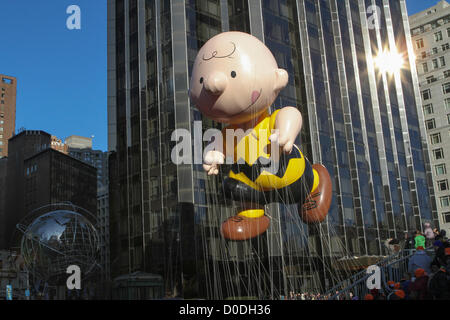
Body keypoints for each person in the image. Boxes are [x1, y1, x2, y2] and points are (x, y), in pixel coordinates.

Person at [191, 31, 333, 241]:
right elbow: (217, 145)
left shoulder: (271, 120)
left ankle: (314, 185)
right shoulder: (227, 133)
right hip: (253, 185)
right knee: (231, 184)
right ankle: (252, 213)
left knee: (295, 181)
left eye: (233, 74)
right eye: (202, 80)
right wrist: (213, 155)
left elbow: (290, 115)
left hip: (286, 175)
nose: (213, 84)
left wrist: (285, 132)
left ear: (277, 80)